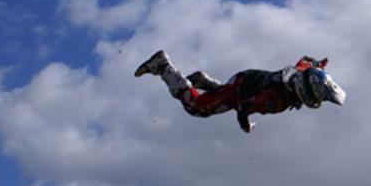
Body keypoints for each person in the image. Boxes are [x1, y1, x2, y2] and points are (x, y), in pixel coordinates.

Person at [134, 50, 345, 133]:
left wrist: (320, 64)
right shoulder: (275, 100)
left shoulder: (302, 72)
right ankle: (163, 66)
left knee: (225, 98)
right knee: (197, 108)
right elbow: (243, 109)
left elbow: (307, 60)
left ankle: (204, 81)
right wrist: (246, 126)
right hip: (241, 89)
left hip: (247, 79)